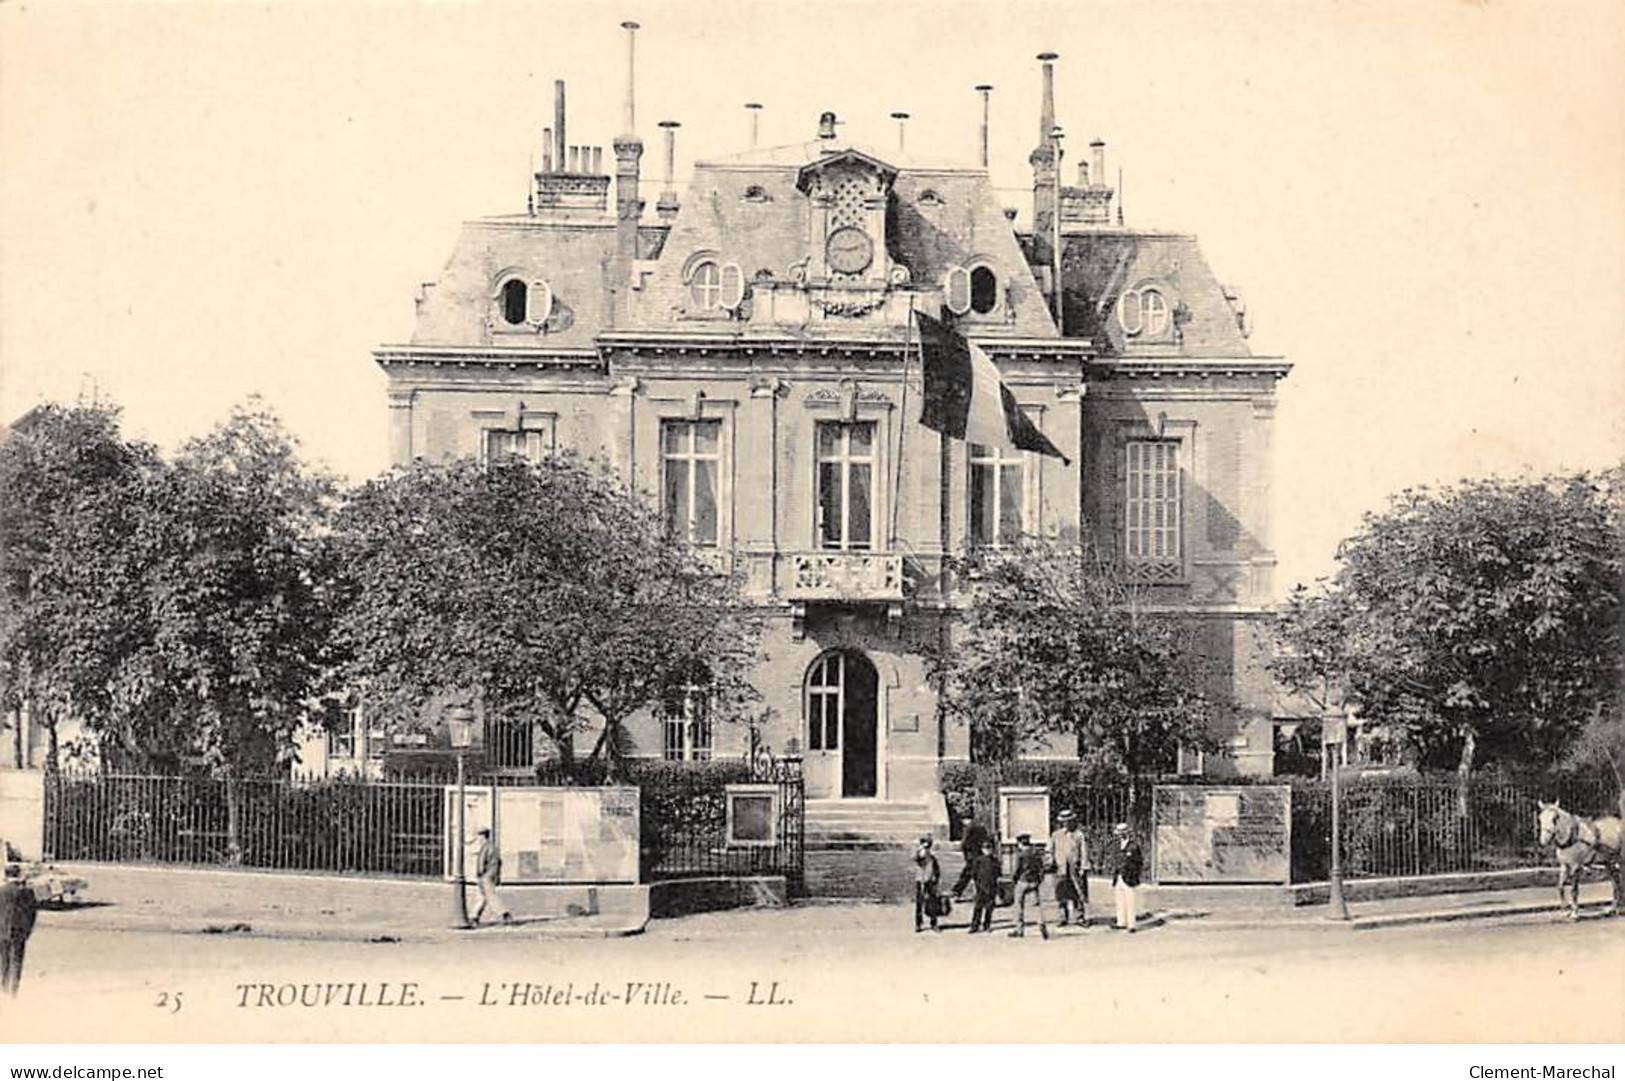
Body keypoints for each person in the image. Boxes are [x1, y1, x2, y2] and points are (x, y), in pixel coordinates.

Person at [0, 861, 38, 995]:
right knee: (17, 960)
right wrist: (28, 931)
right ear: (18, 875)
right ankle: (14, 990)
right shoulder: (27, 892)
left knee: (4, 961)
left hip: (2, 931)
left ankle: (3, 987)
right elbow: (32, 913)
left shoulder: (2, 891)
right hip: (19, 931)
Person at [1049, 808, 1090, 927]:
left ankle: (1080, 917)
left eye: (1068, 821)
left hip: (1074, 868)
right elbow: (1050, 850)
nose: (1066, 823)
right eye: (1064, 821)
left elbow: (1084, 852)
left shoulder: (1079, 835)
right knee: (1061, 893)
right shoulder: (1056, 835)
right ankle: (1063, 917)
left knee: (1078, 892)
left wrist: (1083, 866)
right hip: (1060, 868)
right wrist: (1050, 862)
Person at [952, 838, 1000, 934]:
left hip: (991, 886)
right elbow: (974, 873)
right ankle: (975, 925)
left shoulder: (995, 861)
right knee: (978, 907)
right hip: (980, 887)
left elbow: (998, 873)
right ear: (982, 849)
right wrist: (977, 883)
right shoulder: (978, 860)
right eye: (985, 848)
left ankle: (987, 925)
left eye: (989, 848)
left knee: (989, 908)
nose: (987, 850)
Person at [1009, 833, 1050, 939]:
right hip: (1034, 882)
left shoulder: (1020, 854)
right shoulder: (1035, 853)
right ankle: (1041, 924)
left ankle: (1019, 929)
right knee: (1036, 906)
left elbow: (1016, 870)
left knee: (1018, 905)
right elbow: (1041, 868)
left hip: (1022, 881)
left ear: (1020, 843)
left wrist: (1013, 879)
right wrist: (1039, 879)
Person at [470, 827, 511, 927]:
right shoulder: (490, 847)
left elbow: (481, 864)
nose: (478, 839)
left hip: (486, 876)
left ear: (483, 836)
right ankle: (474, 917)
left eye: (479, 836)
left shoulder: (487, 848)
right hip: (488, 875)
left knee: (490, 897)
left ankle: (504, 914)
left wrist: (480, 874)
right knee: (482, 898)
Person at [1111, 822, 1144, 932]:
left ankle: (1131, 924)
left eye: (1122, 833)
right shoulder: (1116, 845)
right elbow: (1115, 859)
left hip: (1129, 876)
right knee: (1120, 899)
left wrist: (1135, 874)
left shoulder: (1133, 846)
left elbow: (1139, 862)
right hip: (1119, 876)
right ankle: (1121, 922)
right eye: (1118, 834)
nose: (1120, 835)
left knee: (1130, 900)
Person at [912, 835, 942, 933]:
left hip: (930, 880)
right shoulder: (920, 854)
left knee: (933, 902)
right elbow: (915, 858)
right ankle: (918, 923)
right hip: (921, 880)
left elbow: (937, 870)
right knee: (919, 903)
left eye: (928, 845)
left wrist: (936, 879)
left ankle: (934, 923)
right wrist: (920, 850)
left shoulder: (932, 857)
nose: (927, 847)